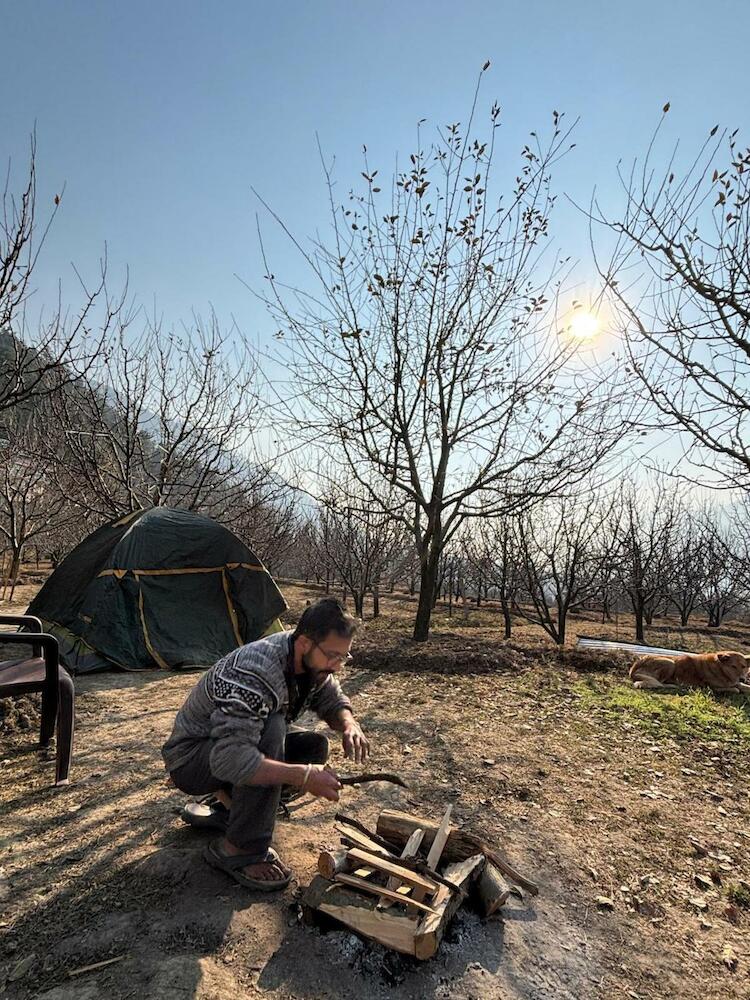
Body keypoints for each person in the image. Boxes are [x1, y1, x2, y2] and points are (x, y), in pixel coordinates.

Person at [161, 597, 369, 891]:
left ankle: (233, 809)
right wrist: (305, 776)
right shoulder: (256, 672)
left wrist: (349, 723)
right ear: (305, 644)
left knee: (311, 747)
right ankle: (237, 848)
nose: (337, 666)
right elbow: (230, 759)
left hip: (227, 747)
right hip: (192, 761)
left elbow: (330, 697)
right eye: (333, 656)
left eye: (343, 658)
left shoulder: (311, 662)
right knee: (272, 729)